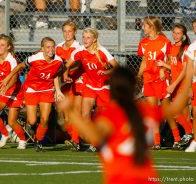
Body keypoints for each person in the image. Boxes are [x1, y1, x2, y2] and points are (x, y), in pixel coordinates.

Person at [57, 65, 192, 184]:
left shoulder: (111, 115)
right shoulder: (145, 110)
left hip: (120, 179)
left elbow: (94, 135)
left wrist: (70, 112)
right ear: (133, 87)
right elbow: (177, 106)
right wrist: (189, 77)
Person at [0, 37, 65, 152]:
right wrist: (7, 78)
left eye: (52, 47)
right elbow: (19, 66)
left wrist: (58, 90)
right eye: (48, 47)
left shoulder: (58, 60)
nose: (51, 50)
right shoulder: (34, 58)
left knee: (45, 119)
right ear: (43, 49)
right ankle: (31, 129)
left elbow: (55, 74)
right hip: (32, 89)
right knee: (32, 120)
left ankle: (38, 141)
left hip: (47, 90)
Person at [64, 27, 118, 152]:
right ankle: (94, 142)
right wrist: (65, 75)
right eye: (84, 37)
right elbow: (67, 65)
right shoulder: (80, 51)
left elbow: (116, 68)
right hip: (89, 85)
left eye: (88, 37)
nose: (85, 39)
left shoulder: (102, 51)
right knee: (85, 115)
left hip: (103, 87)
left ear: (94, 39)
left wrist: (105, 72)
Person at [137, 16, 180, 150]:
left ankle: (177, 139)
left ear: (152, 27)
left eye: (145, 25)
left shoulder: (164, 42)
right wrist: (138, 75)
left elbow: (170, 60)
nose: (143, 27)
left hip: (161, 79)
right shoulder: (143, 42)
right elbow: (144, 61)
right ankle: (156, 142)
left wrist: (162, 69)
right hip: (148, 78)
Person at [156, 23, 193, 149]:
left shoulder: (186, 48)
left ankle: (189, 136)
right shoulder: (171, 47)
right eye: (174, 32)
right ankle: (188, 137)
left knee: (183, 114)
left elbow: (184, 70)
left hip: (183, 84)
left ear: (183, 35)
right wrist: (163, 68)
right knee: (179, 114)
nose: (175, 35)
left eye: (179, 33)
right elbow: (172, 65)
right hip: (175, 85)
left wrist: (177, 85)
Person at [56, 20, 83, 151]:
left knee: (75, 113)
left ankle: (76, 141)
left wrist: (66, 68)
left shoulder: (79, 47)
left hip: (76, 83)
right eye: (65, 31)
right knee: (66, 117)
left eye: (70, 31)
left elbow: (77, 64)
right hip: (63, 84)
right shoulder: (58, 47)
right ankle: (75, 138)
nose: (67, 34)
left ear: (75, 32)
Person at [184, 19, 196, 152]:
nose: (195, 28)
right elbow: (189, 68)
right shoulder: (192, 47)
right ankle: (195, 141)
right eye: (193, 26)